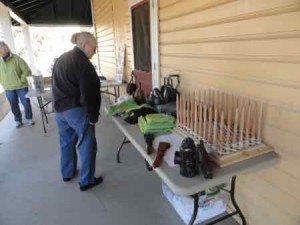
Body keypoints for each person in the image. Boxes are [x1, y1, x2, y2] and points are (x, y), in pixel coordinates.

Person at [52, 32, 102, 191]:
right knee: (87, 144)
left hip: (59, 110)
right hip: (76, 111)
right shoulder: (83, 63)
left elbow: (54, 84)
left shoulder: (62, 58)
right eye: (94, 48)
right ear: (85, 45)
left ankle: (67, 173)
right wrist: (93, 116)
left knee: (66, 142)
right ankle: (86, 181)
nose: (94, 52)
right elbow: (89, 94)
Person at [0, 41, 34, 128]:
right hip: (8, 88)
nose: (1, 55)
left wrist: (21, 80)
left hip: (21, 86)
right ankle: (18, 120)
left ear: (6, 50)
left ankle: (29, 118)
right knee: (13, 104)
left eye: (1, 52)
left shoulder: (17, 59)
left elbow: (26, 70)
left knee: (26, 103)